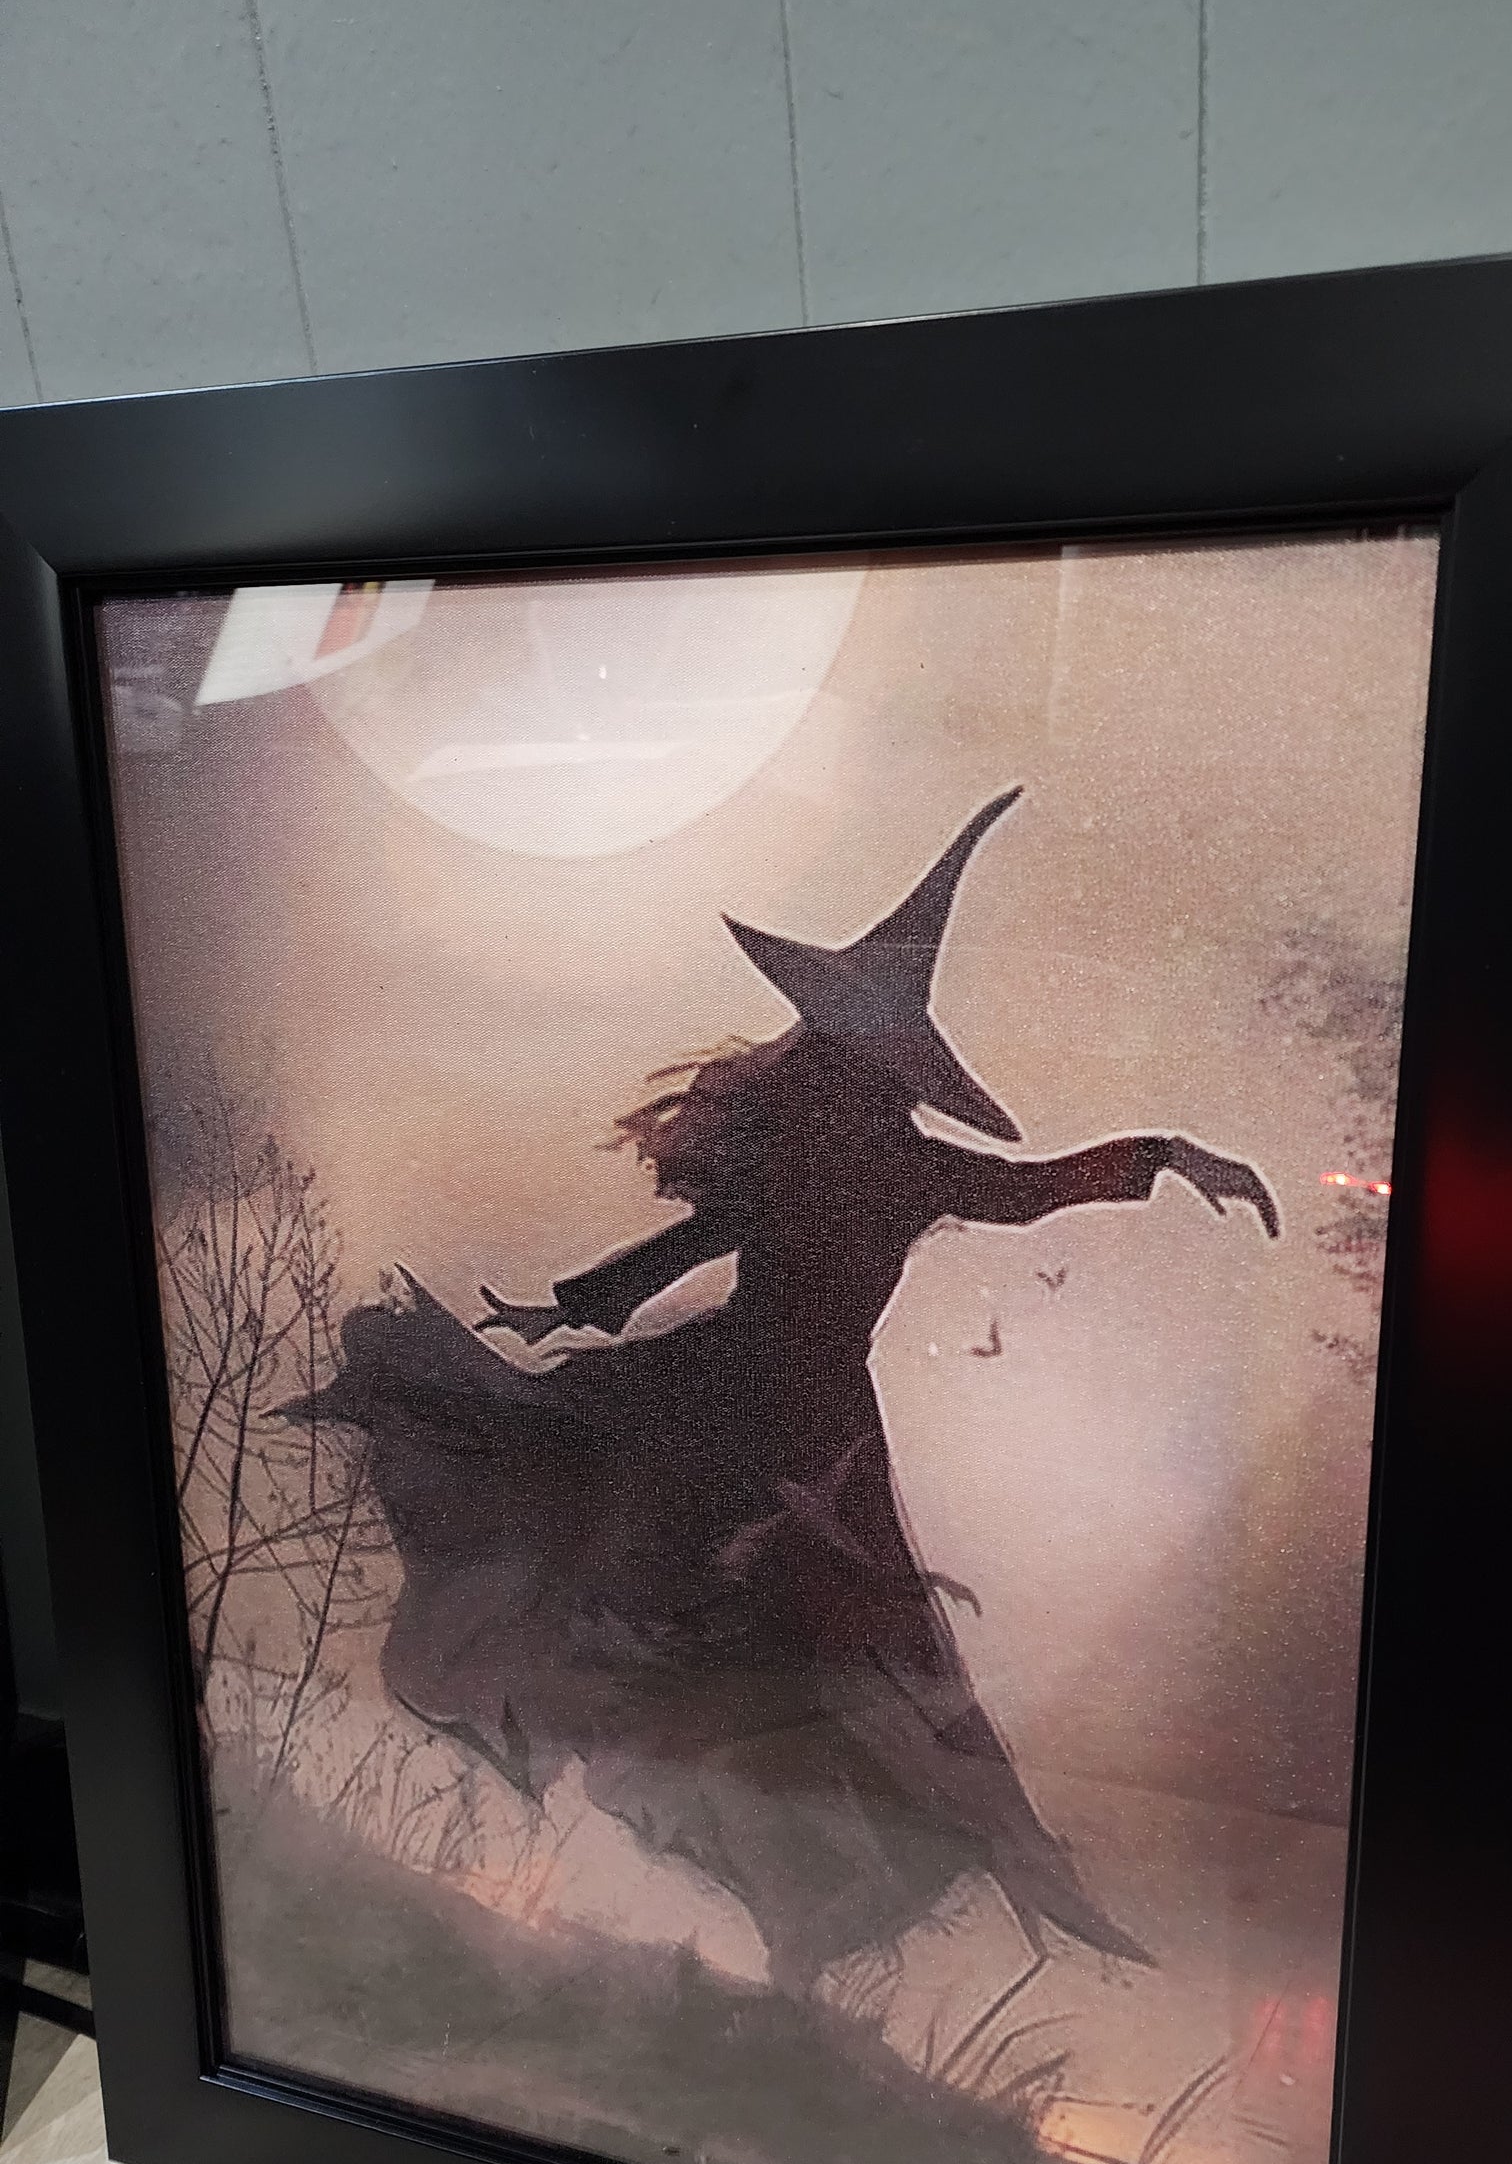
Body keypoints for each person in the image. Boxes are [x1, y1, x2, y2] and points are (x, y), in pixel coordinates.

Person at [300, 788, 1278, 1991]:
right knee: (712, 1613)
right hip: (740, 1397)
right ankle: (754, 1843)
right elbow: (703, 1241)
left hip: (793, 1416)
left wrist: (1168, 1155)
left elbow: (1024, 1192)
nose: (820, 1062)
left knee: (829, 1650)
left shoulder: (891, 1162)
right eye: (832, 1044)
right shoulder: (826, 1152)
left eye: (840, 1048)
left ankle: (835, 1886)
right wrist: (571, 1305)